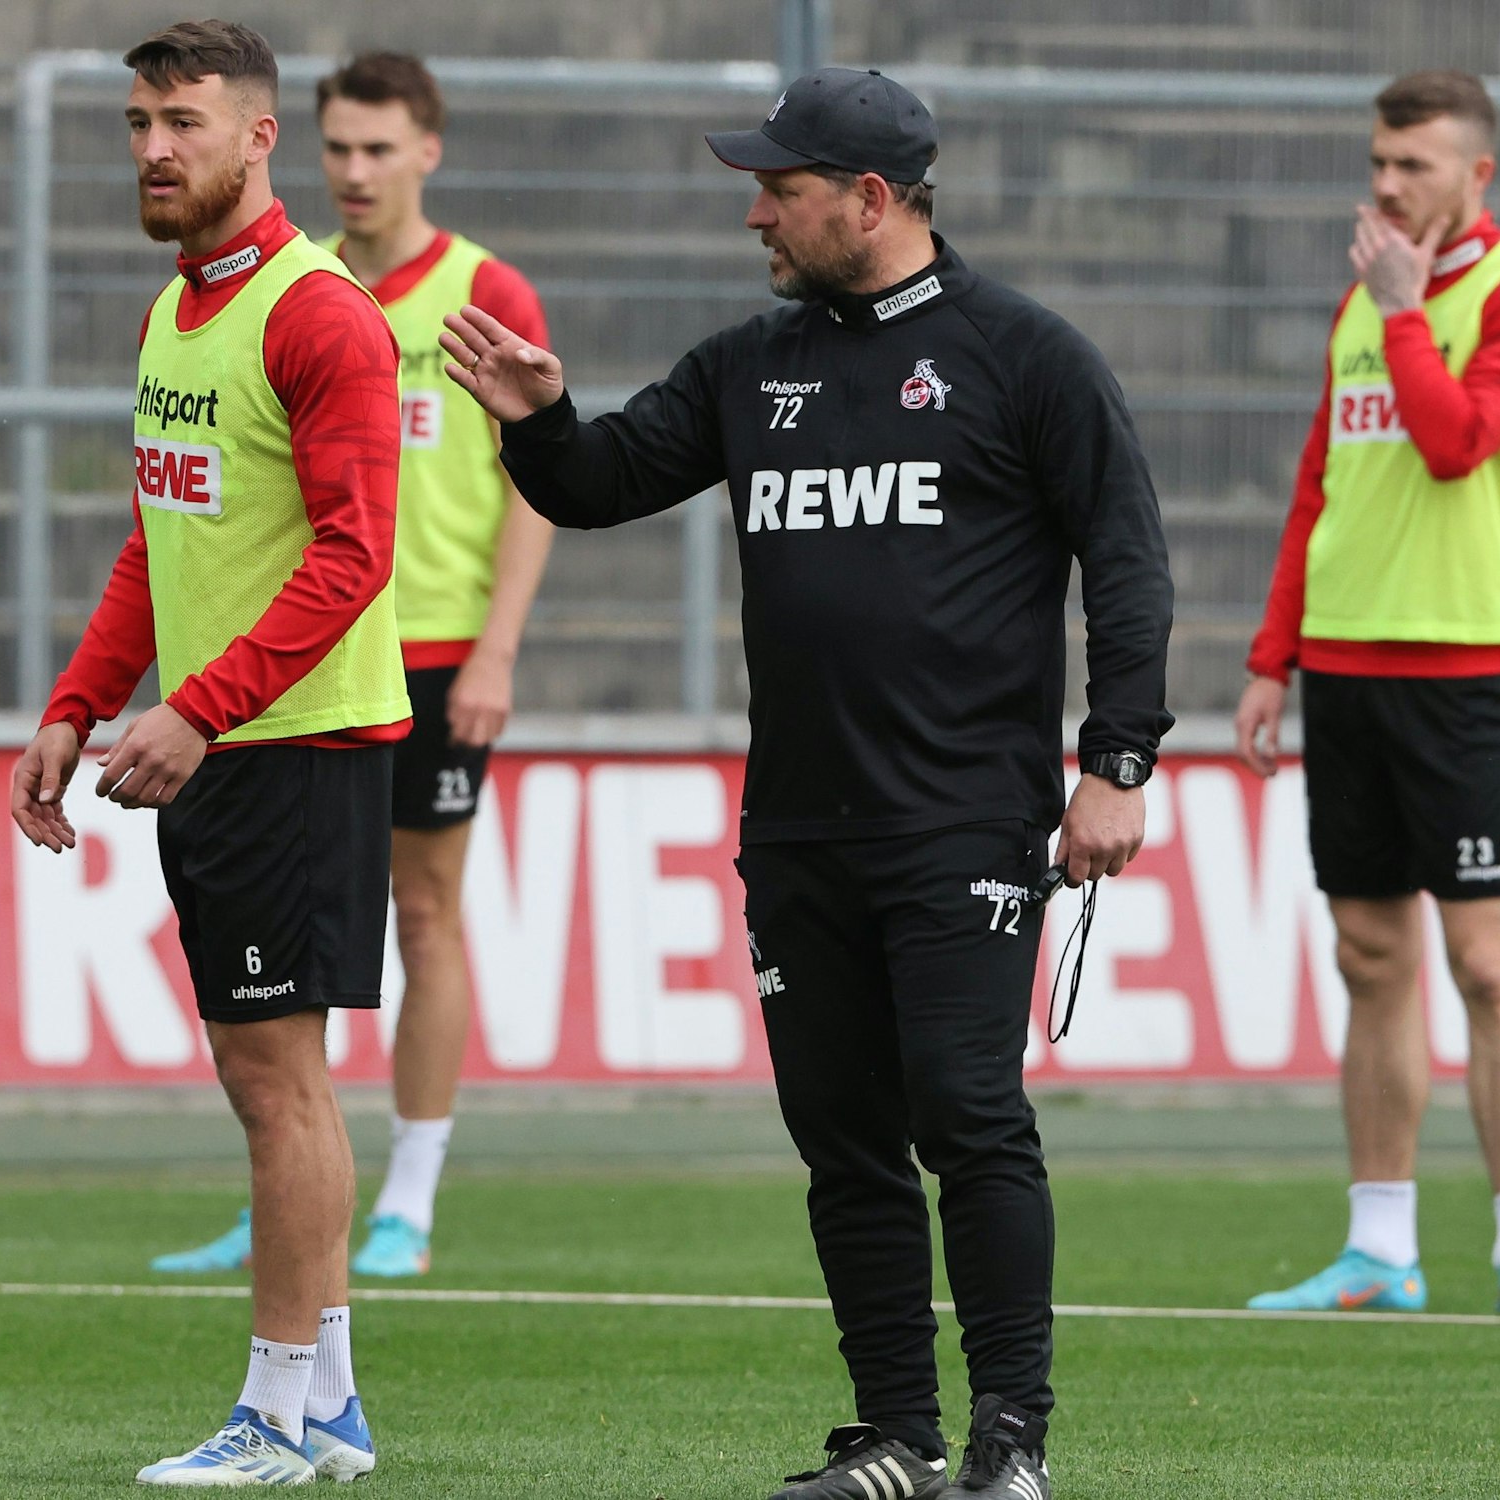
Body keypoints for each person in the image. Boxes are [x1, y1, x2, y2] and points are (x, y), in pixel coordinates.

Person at [443, 66, 1173, 1500]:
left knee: (968, 1117)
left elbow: (1127, 559)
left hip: (962, 814)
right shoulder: (746, 366)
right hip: (797, 827)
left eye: (779, 191)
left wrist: (1118, 759)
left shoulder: (1027, 356)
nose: (758, 215)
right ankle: (897, 1436)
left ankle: (1009, 1447)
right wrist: (539, 417)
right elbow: (595, 485)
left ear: (872, 200)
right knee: (843, 1145)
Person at [9, 20, 406, 1485]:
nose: (153, 149)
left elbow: (359, 557)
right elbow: (158, 537)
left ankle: (276, 1415)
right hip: (228, 742)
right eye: (135, 122)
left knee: (277, 1084)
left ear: (259, 139)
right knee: (269, 1077)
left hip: (294, 745)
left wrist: (201, 707)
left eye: (181, 121)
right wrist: (75, 702)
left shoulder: (318, 315)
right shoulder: (180, 312)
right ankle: (334, 1408)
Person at [150, 52, 555, 1283]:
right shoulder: (298, 285)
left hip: (427, 653)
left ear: (427, 151)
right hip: (311, 655)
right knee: (285, 987)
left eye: (381, 149)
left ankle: (410, 1199)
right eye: (339, 149)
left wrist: (495, 646)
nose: (357, 171)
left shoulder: (484, 290)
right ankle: (294, 1202)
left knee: (424, 913)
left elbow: (534, 478)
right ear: (301, 147)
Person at [1236, 70, 1500, 1320]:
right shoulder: (1363, 300)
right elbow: (1319, 485)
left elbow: (1452, 443)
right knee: (1366, 953)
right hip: (1341, 667)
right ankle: (1379, 1249)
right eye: (1380, 162)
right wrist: (1271, 657)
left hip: (1462, 668)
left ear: (1475, 175)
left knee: (1486, 965)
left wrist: (1398, 313)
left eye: (1415, 166)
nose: (1387, 186)